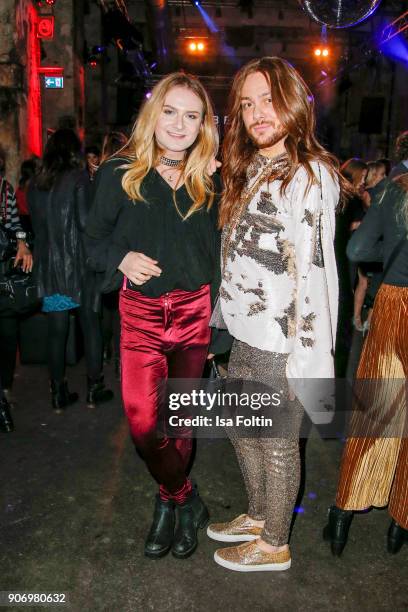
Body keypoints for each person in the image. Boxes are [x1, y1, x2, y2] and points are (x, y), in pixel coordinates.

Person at [206, 56, 344, 572]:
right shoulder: (255, 169)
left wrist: (308, 357)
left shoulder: (309, 176)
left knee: (276, 442)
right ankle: (261, 516)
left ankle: (275, 545)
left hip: (280, 336)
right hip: (245, 329)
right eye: (247, 104)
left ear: (293, 103)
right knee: (244, 429)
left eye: (268, 99)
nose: (257, 113)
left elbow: (316, 275)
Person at [85, 72, 221, 560]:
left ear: (204, 124)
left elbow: (224, 249)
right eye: (170, 111)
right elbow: (93, 241)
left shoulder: (213, 175)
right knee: (144, 424)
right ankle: (187, 497)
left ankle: (167, 504)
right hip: (140, 315)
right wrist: (121, 259)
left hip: (194, 313)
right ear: (153, 114)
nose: (179, 124)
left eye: (192, 115)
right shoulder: (119, 172)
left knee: (179, 423)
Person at [324, 175, 408, 556]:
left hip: (394, 304)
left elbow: (357, 248)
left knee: (374, 411)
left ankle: (342, 517)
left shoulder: (394, 189)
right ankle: (400, 524)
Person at [28, 129, 113, 412]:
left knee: (57, 331)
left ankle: (58, 393)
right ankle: (94, 387)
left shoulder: (35, 184)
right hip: (79, 268)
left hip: (50, 269)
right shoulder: (78, 179)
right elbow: (87, 222)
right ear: (73, 152)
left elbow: (37, 228)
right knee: (91, 326)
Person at [0, 147, 33, 402]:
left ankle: (5, 385)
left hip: (3, 275)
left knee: (8, 333)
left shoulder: (5, 190)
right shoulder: (5, 189)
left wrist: (22, 243)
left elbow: (15, 225)